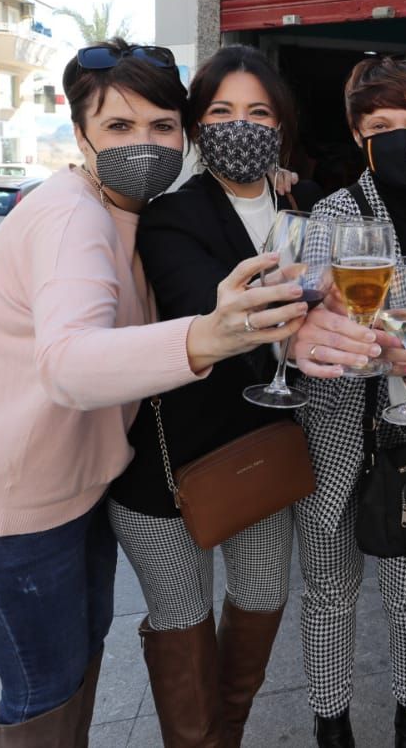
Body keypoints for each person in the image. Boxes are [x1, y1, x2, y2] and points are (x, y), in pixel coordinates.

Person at [0, 40, 307, 747]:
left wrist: (270, 186)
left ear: (186, 137)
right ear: (79, 131)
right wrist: (205, 339)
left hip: (63, 494)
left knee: (71, 681)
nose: (143, 144)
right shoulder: (72, 217)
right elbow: (69, 364)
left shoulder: (129, 208)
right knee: (46, 695)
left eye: (160, 126)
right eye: (118, 127)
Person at [107, 45, 310, 746]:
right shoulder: (172, 214)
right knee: (182, 624)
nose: (239, 125)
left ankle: (224, 735)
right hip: (166, 469)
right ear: (196, 128)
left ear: (280, 126)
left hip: (256, 453)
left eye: (257, 112)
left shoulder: (297, 205)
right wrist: (296, 317)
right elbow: (204, 307)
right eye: (220, 111)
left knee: (260, 601)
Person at [286, 56, 406, 748]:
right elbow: (323, 321)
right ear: (358, 135)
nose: (401, 137)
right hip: (334, 434)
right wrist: (368, 342)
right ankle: (332, 725)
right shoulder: (334, 214)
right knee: (329, 590)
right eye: (382, 125)